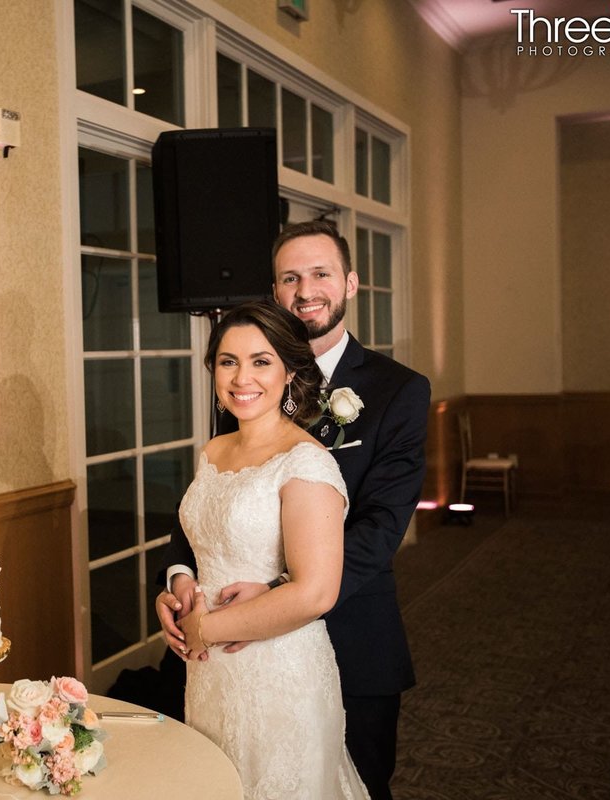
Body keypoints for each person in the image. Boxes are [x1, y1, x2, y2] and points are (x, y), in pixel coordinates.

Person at [157, 219, 431, 800]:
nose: (306, 290)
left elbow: (383, 525)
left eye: (320, 274)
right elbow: (212, 500)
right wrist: (179, 579)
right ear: (276, 290)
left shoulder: (398, 389)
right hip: (220, 659)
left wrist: (282, 589)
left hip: (345, 639)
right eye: (290, 278)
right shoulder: (244, 377)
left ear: (350, 283)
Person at [165, 299, 368, 799]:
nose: (241, 378)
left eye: (261, 361)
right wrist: (180, 586)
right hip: (210, 674)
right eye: (229, 361)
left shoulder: (306, 461)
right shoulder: (213, 451)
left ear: (291, 370)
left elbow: (316, 592)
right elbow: (203, 544)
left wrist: (206, 628)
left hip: (278, 675)